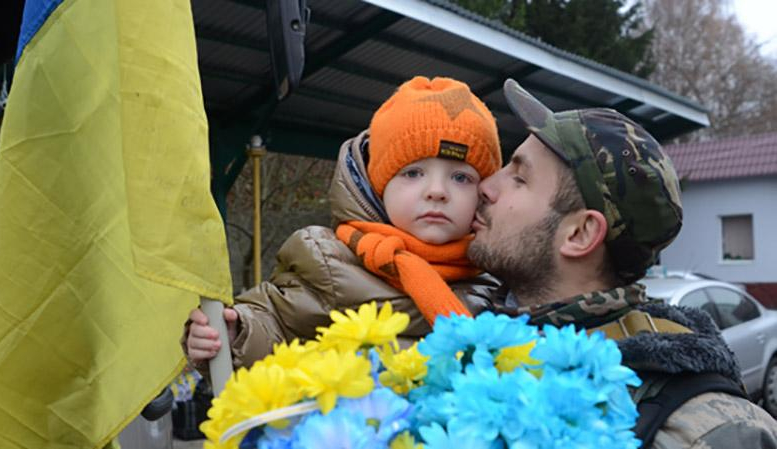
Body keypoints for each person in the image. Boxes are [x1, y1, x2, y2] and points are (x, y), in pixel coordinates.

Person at [467, 78, 777, 449]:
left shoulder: (705, 432)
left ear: (580, 233)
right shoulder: (464, 336)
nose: (486, 186)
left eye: (518, 177)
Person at [184, 76, 503, 369]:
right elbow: (274, 324)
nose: (437, 191)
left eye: (461, 177)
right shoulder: (329, 262)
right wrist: (235, 331)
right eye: (413, 173)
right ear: (378, 186)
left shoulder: (497, 278)